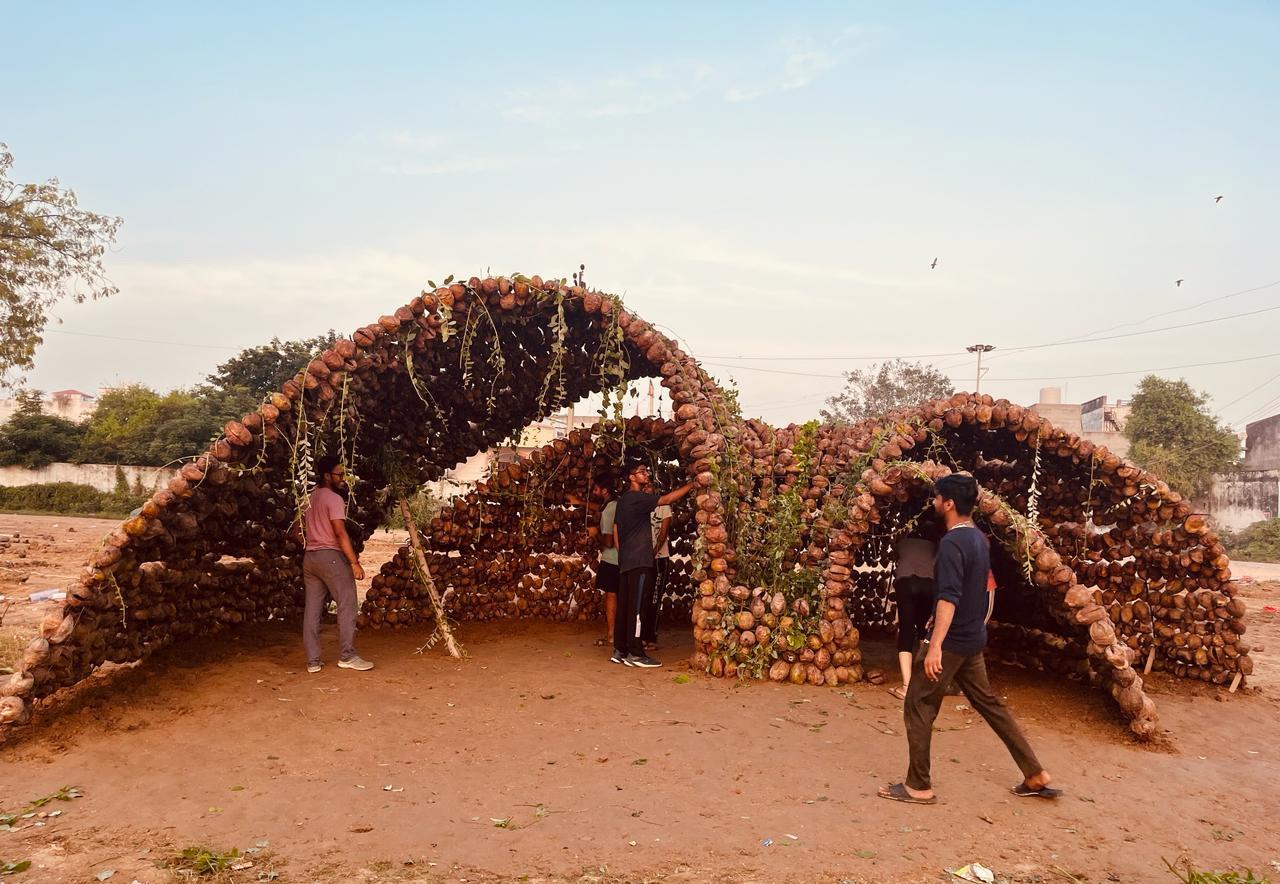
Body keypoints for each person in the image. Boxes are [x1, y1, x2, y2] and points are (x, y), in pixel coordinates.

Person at [879, 474, 1059, 805]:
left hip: (952, 642)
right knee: (989, 703)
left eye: (937, 498)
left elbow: (948, 598)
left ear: (948, 503)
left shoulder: (951, 544)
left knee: (918, 703)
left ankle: (918, 786)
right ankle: (1034, 773)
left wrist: (935, 646)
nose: (934, 503)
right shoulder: (978, 539)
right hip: (973, 639)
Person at [611, 463, 696, 668]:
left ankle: (620, 650)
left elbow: (616, 528)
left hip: (627, 560)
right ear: (631, 477)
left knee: (625, 606)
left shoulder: (623, 501)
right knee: (638, 607)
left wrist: (623, 553)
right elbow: (666, 500)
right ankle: (636, 653)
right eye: (641, 472)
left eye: (646, 471)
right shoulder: (637, 497)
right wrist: (691, 485)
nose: (646, 474)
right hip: (640, 560)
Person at [299, 455, 374, 673]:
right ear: (326, 476)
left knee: (312, 610)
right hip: (330, 556)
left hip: (310, 558)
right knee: (347, 603)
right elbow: (340, 533)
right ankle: (348, 656)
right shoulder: (333, 499)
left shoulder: (309, 498)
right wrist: (354, 562)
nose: (343, 479)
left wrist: (312, 540)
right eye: (339, 474)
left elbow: (296, 529)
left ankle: (313, 661)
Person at [888, 530, 936, 701]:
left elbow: (896, 558)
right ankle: (924, 683)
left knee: (906, 631)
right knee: (925, 630)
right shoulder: (933, 545)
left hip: (907, 582)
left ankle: (907, 687)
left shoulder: (902, 543)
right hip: (929, 583)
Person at [641, 484, 673, 650]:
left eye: (649, 486)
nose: (647, 488)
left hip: (659, 559)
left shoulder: (664, 507)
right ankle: (640, 636)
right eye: (644, 486)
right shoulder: (639, 506)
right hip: (642, 559)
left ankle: (650, 637)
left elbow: (663, 534)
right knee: (642, 597)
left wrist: (652, 553)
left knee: (654, 598)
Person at [590, 480, 620, 647]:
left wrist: (595, 534)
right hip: (622, 559)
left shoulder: (609, 510)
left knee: (611, 597)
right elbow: (599, 508)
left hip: (611, 559)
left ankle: (611, 634)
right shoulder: (616, 505)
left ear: (604, 490)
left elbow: (608, 542)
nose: (594, 492)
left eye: (596, 489)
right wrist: (579, 502)